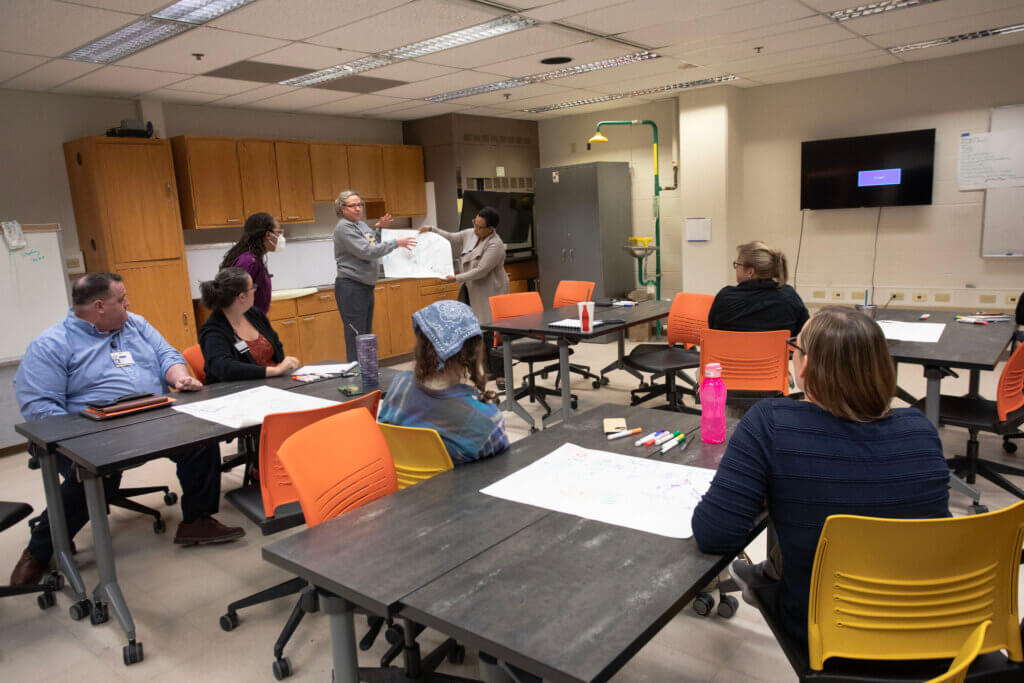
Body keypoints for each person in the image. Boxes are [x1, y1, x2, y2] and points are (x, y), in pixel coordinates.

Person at [691, 306, 949, 651]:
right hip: (941, 630)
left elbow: (714, 535)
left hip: (828, 634)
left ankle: (767, 576)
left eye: (794, 349)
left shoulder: (770, 424)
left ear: (806, 365)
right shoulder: (921, 429)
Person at [10, 273, 244, 586]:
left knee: (199, 439)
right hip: (90, 432)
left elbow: (167, 355)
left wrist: (178, 377)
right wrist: (85, 446)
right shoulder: (51, 345)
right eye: (121, 300)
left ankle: (197, 520)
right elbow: (42, 411)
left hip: (151, 415)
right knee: (92, 477)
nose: (128, 304)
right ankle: (38, 552)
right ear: (98, 307)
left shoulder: (135, 323)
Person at [378, 300, 509, 465]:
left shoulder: (399, 386)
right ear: (472, 352)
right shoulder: (486, 421)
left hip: (405, 489)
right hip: (458, 490)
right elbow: (500, 467)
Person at [419, 206, 509, 377]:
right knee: (474, 328)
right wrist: (432, 229)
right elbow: (452, 238)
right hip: (470, 288)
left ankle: (499, 372)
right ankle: (482, 368)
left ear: (490, 229)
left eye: (479, 226)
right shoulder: (471, 233)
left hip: (489, 291)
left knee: (491, 330)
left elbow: (481, 271)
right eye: (475, 223)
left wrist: (456, 278)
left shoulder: (495, 245)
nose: (475, 228)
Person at [333, 190, 417, 362]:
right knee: (356, 335)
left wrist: (378, 229)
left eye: (359, 205)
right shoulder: (344, 227)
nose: (358, 209)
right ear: (342, 208)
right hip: (351, 286)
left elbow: (372, 243)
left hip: (365, 285)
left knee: (365, 334)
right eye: (353, 205)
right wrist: (396, 243)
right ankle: (356, 374)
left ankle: (366, 373)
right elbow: (367, 251)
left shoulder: (360, 225)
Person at [198, 267, 301, 383]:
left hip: (273, 382)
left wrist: (284, 366)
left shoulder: (254, 314)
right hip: (240, 391)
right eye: (253, 287)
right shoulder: (213, 331)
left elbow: (276, 344)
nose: (255, 290)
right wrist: (273, 371)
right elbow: (223, 367)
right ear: (242, 297)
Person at [708, 240, 809, 336]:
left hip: (728, 354)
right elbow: (803, 333)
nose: (736, 268)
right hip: (775, 354)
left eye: (737, 264)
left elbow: (713, 330)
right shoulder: (789, 296)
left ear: (750, 272)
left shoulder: (725, 298)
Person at [220, 212, 284, 315]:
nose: (280, 237)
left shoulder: (256, 260)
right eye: (278, 232)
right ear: (268, 235)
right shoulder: (248, 262)